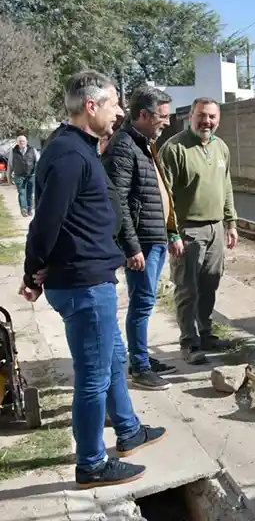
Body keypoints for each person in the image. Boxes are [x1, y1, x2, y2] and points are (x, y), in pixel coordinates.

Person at [22, 70, 165, 489]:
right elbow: (45, 222)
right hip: (85, 285)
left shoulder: (80, 149)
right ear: (91, 106)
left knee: (112, 360)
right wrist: (33, 271)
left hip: (90, 277)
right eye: (114, 103)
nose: (119, 110)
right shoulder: (69, 153)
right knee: (93, 375)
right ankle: (91, 463)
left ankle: (128, 430)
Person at [102, 86, 178, 390]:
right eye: (162, 117)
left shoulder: (145, 144)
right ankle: (141, 367)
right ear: (144, 115)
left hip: (153, 238)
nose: (167, 123)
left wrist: (170, 232)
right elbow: (117, 202)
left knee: (145, 302)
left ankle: (141, 356)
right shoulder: (124, 146)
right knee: (142, 303)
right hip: (142, 243)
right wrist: (131, 246)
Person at [158, 97, 237, 365]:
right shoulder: (174, 149)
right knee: (187, 288)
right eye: (202, 115)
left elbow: (226, 186)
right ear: (191, 116)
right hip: (187, 230)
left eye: (212, 117)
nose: (207, 121)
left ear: (218, 119)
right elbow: (164, 195)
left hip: (215, 228)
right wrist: (172, 233)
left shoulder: (221, 148)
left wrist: (231, 222)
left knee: (210, 283)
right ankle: (189, 342)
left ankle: (205, 332)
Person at [9, 134, 37, 217]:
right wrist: (8, 176)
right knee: (21, 192)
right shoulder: (13, 151)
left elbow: (39, 161)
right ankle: (23, 209)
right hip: (19, 175)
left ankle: (29, 208)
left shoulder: (33, 150)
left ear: (26, 141)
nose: (22, 142)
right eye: (20, 141)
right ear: (17, 143)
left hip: (31, 175)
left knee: (30, 193)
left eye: (23, 141)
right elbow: (10, 164)